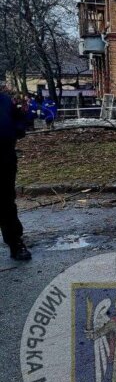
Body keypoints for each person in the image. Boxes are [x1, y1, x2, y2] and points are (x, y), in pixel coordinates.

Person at [1, 87, 29, 260]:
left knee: (6, 203)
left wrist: (18, 127)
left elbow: (19, 122)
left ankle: (15, 243)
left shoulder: (4, 100)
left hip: (4, 160)